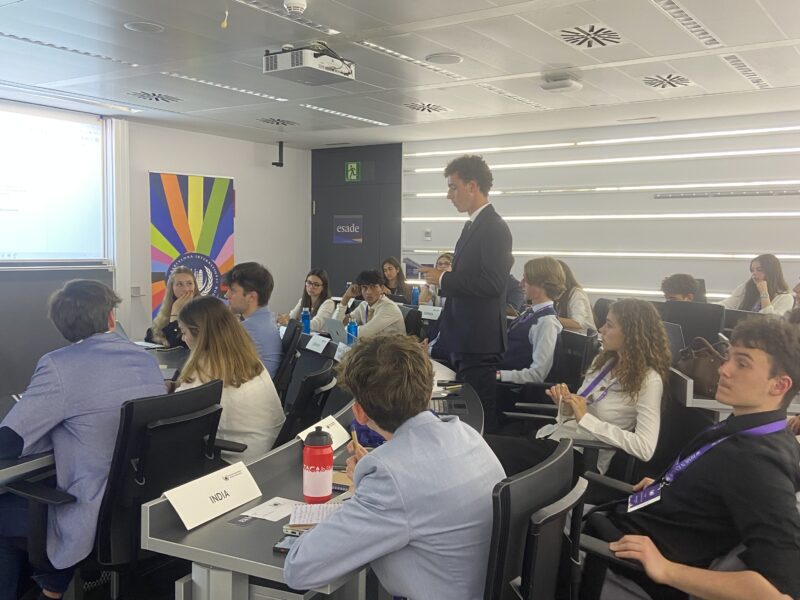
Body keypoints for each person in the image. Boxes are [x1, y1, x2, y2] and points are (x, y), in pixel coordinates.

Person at [592, 317, 800, 600]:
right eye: (728, 357)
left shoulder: (760, 463)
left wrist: (667, 570)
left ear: (779, 385)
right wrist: (673, 487)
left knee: (528, 533)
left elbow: (780, 592)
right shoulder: (749, 430)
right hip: (625, 528)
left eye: (742, 363)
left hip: (619, 566)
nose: (724, 369)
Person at [283, 335, 505, 598]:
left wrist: (363, 492)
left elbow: (299, 569)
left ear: (359, 413)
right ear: (427, 392)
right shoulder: (467, 435)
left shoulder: (391, 477)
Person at [0, 280, 165, 600]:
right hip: (136, 505)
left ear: (62, 324)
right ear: (110, 317)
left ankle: (49, 587)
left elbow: (10, 442)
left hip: (89, 513)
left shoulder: (59, 365)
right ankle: (51, 587)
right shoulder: (143, 358)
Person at [488, 298, 669, 476]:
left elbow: (645, 448)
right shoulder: (604, 362)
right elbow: (576, 414)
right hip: (555, 438)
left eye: (609, 325)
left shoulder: (649, 381)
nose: (601, 329)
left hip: (580, 457)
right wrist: (565, 406)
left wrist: (586, 419)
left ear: (631, 334)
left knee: (485, 451)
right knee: (484, 449)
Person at [420, 155, 513, 434]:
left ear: (472, 186)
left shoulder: (495, 227)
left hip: (479, 341)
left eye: (453, 187)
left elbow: (493, 284)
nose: (449, 195)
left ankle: (488, 459)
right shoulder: (472, 225)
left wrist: (444, 278)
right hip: (463, 337)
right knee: (462, 411)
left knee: (479, 415)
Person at [176, 295, 285, 462]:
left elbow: (177, 414)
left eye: (184, 332)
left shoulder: (204, 370)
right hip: (270, 449)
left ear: (200, 333)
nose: (183, 339)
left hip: (238, 460)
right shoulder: (248, 359)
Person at [497, 257, 565, 384]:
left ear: (541, 284)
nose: (520, 284)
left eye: (525, 280)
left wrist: (498, 375)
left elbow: (537, 375)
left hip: (509, 388)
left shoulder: (546, 323)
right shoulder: (531, 312)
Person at [224, 262, 283, 378]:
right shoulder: (268, 320)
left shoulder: (248, 328)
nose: (226, 295)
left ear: (251, 297)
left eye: (232, 290)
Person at [334, 270, 405, 340]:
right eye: (364, 287)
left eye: (373, 287)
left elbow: (363, 333)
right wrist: (346, 297)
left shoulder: (389, 307)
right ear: (360, 289)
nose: (368, 292)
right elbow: (336, 324)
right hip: (374, 345)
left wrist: (340, 331)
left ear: (382, 288)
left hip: (394, 346)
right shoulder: (364, 305)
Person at [717, 254, 793, 315]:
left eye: (759, 270)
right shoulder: (746, 287)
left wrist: (764, 292)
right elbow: (728, 304)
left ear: (771, 272)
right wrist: (712, 307)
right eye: (752, 270)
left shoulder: (785, 298)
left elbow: (770, 321)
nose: (754, 273)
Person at [145, 266, 199, 347]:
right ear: (172, 288)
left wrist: (174, 314)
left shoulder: (204, 310)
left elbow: (177, 344)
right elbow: (150, 336)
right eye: (180, 284)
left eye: (189, 283)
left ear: (195, 286)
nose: (186, 289)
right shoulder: (168, 308)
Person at [556, 259, 596, 333]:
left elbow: (577, 323)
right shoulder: (557, 294)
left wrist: (549, 318)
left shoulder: (576, 294)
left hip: (583, 337)